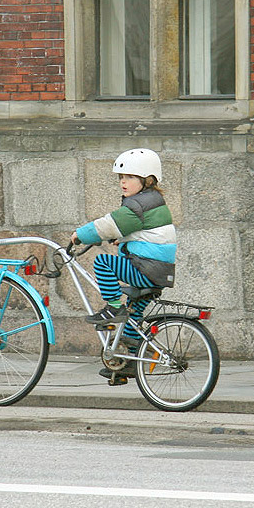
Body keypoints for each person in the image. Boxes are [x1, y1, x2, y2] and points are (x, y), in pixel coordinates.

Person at [71, 148, 176, 380]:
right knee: (133, 316)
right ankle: (128, 362)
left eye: (129, 177)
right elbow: (144, 232)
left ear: (147, 179)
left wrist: (79, 235)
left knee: (103, 262)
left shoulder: (138, 205)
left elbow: (108, 225)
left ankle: (112, 306)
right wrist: (125, 237)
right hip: (159, 271)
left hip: (146, 269)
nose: (123, 182)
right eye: (120, 178)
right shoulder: (152, 202)